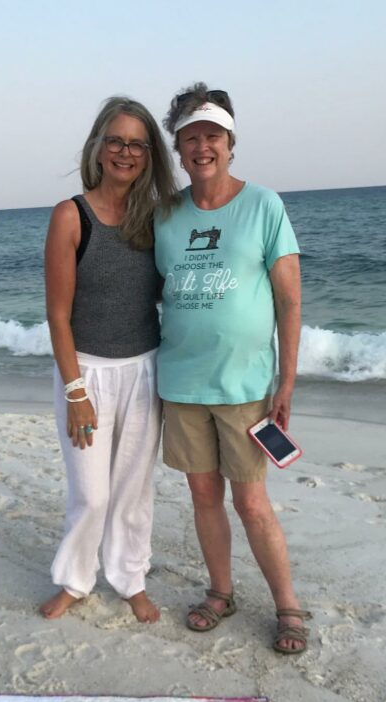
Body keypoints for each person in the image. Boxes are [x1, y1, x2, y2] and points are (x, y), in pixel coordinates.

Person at [154, 83, 311, 653]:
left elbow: (290, 300)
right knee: (202, 496)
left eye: (212, 137)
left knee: (250, 500)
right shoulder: (165, 214)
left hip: (245, 386)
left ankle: (288, 606)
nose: (202, 148)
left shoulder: (264, 205)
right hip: (182, 384)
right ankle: (220, 592)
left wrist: (286, 381)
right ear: (178, 148)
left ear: (230, 142)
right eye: (191, 138)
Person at [39, 97, 177, 623]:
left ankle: (129, 578)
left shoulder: (158, 217)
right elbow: (57, 314)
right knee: (92, 494)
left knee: (132, 491)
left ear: (149, 154)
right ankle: (75, 580)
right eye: (115, 140)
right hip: (87, 373)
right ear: (97, 146)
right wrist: (76, 392)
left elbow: (180, 290)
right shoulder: (70, 216)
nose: (125, 152)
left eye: (136, 144)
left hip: (144, 369)